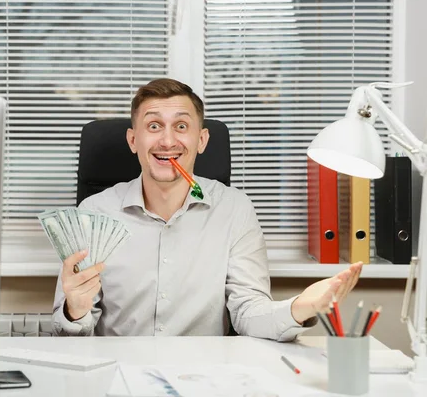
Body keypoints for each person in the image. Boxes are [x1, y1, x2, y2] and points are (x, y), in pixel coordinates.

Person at [51, 78, 362, 340]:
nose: (168, 140)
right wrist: (74, 311)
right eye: (154, 125)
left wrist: (299, 308)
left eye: (181, 126)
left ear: (201, 140)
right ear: (134, 140)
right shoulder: (93, 213)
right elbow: (69, 336)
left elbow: (248, 314)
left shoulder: (235, 209)